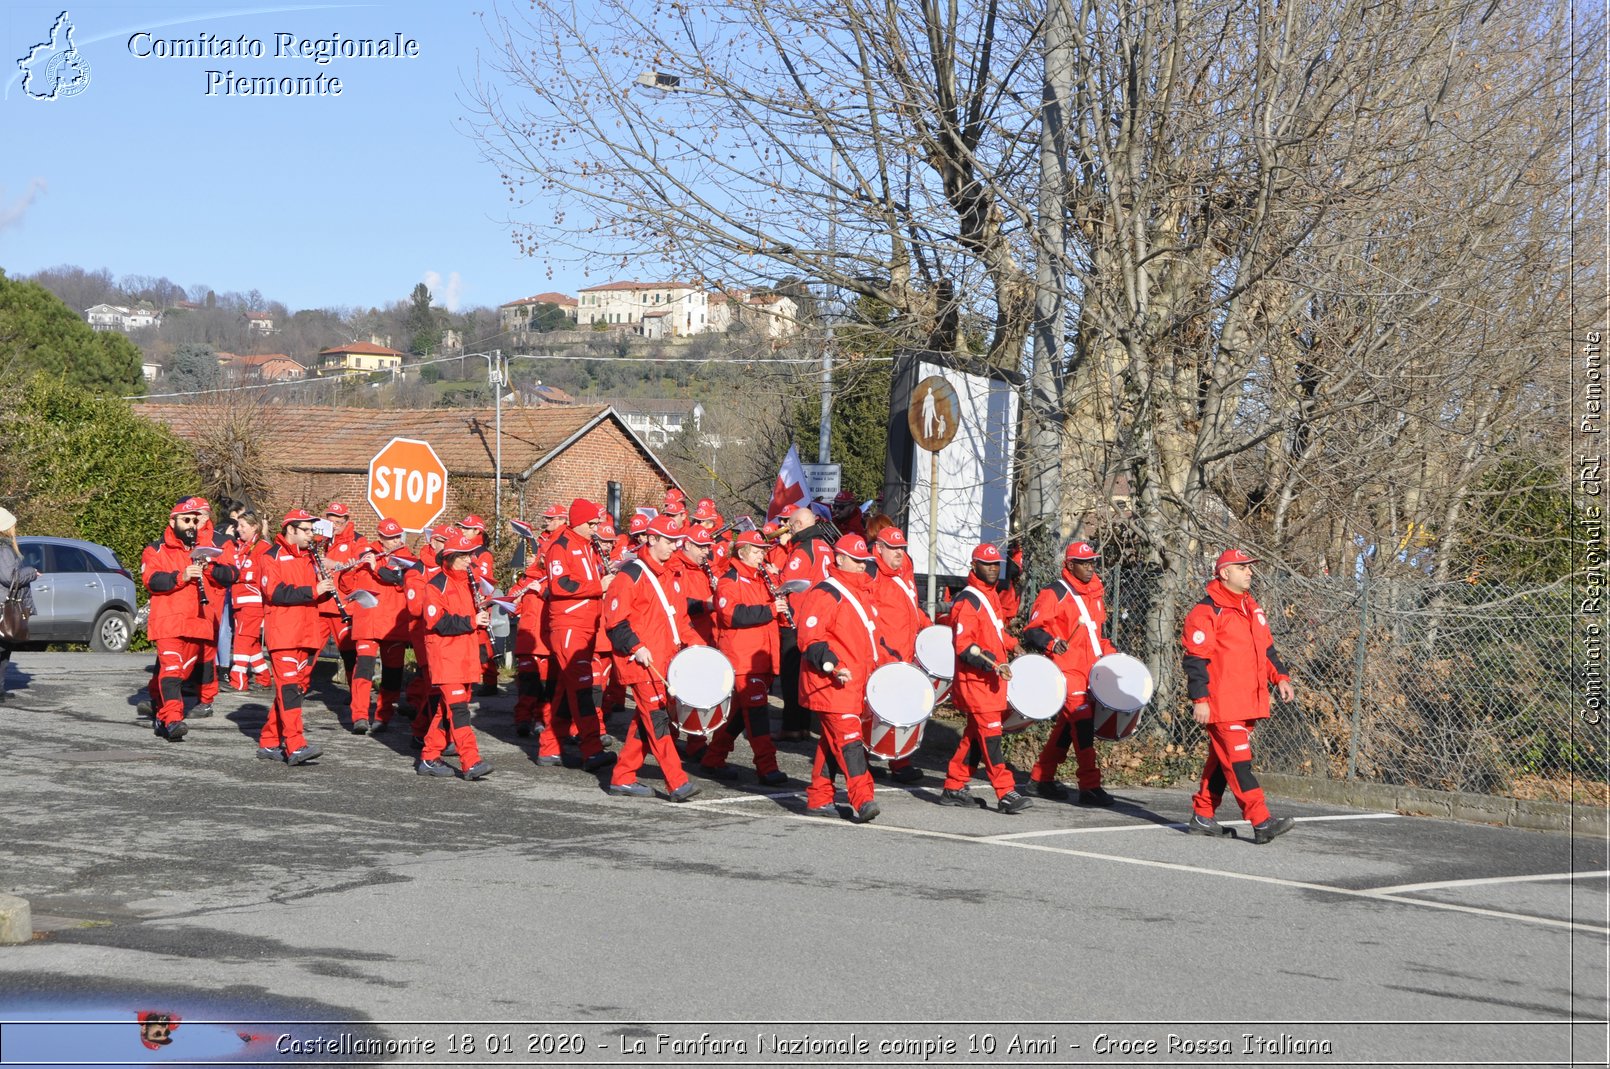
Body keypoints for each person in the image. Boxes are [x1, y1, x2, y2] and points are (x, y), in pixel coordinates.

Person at [1182, 548, 1297, 844]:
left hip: (1248, 701)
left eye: (1249, 567)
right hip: (1223, 702)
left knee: (1222, 760)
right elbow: (1195, 659)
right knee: (1238, 761)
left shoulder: (1252, 607)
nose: (1249, 572)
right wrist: (1200, 700)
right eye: (1242, 567)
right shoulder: (1206, 611)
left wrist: (1280, 677)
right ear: (1224, 573)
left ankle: (1202, 815)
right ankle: (1261, 821)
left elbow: (1266, 650)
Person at [601, 516, 701, 801]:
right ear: (651, 539)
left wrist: (702, 650)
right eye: (669, 541)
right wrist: (636, 647)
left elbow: (680, 621)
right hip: (643, 661)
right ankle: (677, 781)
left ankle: (622, 777)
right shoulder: (630, 574)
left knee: (646, 719)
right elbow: (615, 622)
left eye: (675, 542)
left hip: (667, 661)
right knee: (658, 719)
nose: (673, 547)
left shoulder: (671, 574)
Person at [1021, 540, 1119, 805]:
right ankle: (1089, 785)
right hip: (1066, 670)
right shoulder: (1055, 593)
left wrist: (1113, 655)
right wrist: (1052, 643)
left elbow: (1095, 637)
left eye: (1092, 562)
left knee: (1068, 726)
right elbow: (1032, 630)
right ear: (1070, 564)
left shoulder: (1095, 593)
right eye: (1084, 563)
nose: (1090, 568)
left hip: (1091, 670)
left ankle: (1041, 778)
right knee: (1083, 723)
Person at [795, 535, 884, 823]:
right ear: (840, 558)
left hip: (855, 682)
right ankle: (863, 798)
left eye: (864, 561)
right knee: (849, 740)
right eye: (856, 560)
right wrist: (832, 665)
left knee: (831, 741)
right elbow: (810, 637)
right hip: (833, 682)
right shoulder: (826, 592)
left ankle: (819, 797)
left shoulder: (862, 592)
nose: (861, 566)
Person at [937, 544, 1032, 814]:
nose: (993, 568)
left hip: (990, 681)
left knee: (975, 736)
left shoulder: (989, 596)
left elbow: (994, 632)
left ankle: (954, 785)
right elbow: (964, 646)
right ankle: (1005, 792)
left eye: (996, 565)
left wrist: (1013, 645)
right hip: (976, 682)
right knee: (990, 736)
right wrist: (992, 663)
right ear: (974, 565)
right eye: (986, 564)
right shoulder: (968, 600)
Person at [140, 496, 238, 740]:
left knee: (182, 673)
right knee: (171, 670)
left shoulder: (209, 548)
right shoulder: (156, 549)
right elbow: (151, 581)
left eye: (195, 520)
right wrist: (181, 576)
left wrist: (209, 569)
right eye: (186, 519)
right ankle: (173, 719)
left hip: (199, 621)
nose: (192, 524)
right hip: (169, 621)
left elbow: (232, 574)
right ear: (173, 521)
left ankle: (164, 717)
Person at [702, 529, 788, 785]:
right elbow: (732, 615)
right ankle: (767, 766)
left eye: (763, 550)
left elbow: (770, 613)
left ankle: (713, 758)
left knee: (741, 714)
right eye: (757, 550)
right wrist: (770, 609)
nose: (762, 554)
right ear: (742, 552)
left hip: (761, 656)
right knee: (758, 714)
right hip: (743, 659)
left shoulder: (763, 578)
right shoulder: (730, 580)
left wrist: (780, 604)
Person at [542, 498, 614, 771]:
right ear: (578, 521)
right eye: (591, 523)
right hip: (569, 626)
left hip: (585, 625)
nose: (595, 528)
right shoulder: (560, 546)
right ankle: (592, 749)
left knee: (564, 690)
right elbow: (560, 585)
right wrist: (598, 585)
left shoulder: (586, 545)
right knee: (583, 689)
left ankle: (549, 746)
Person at [417, 530, 493, 779]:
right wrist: (473, 620)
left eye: (470, 555)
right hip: (446, 657)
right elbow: (437, 621)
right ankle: (470, 761)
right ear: (449, 558)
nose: (470, 560)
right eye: (464, 557)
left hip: (465, 656)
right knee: (459, 710)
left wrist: (483, 611)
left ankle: (428, 757)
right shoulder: (435, 585)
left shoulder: (470, 584)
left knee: (445, 709)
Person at [258, 510, 330, 765]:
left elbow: (314, 595)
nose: (312, 535)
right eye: (307, 530)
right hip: (284, 634)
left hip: (306, 632)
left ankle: (268, 741)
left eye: (312, 530)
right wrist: (314, 590)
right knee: (289, 689)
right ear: (291, 530)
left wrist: (326, 589)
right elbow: (275, 593)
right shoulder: (271, 556)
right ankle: (296, 745)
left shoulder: (310, 557)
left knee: (294, 691)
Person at [866, 526, 928, 784]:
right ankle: (855, 760)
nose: (899, 553)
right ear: (879, 548)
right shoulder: (870, 572)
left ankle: (900, 761)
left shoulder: (904, 571)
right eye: (893, 548)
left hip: (904, 651)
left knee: (902, 708)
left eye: (902, 547)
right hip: (881, 655)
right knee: (869, 711)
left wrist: (929, 628)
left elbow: (912, 609)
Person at [778, 503, 834, 739]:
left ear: (799, 525)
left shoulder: (803, 549)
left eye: (790, 525)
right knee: (806, 675)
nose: (787, 530)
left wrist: (774, 571)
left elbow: (786, 582)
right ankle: (803, 725)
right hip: (819, 619)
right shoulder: (826, 547)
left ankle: (792, 727)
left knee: (790, 676)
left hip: (798, 619)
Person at [226, 510, 274, 691]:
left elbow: (263, 576)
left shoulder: (263, 548)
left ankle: (237, 680)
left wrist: (241, 576)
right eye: (238, 526)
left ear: (254, 527)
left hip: (253, 602)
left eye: (242, 526)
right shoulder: (240, 546)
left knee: (242, 640)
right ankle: (263, 678)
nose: (238, 530)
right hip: (239, 600)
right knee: (251, 642)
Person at [0, 507, 38, 699]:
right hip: (3, 604)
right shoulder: (4, 549)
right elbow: (9, 577)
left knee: (5, 646)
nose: (16, 528)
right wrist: (31, 572)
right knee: (3, 647)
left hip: (5, 602)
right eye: (13, 525)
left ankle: (0, 689)